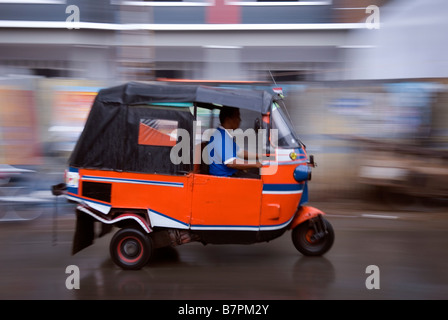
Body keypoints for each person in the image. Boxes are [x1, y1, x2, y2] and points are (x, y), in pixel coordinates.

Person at [207, 106, 262, 177]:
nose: (240, 120)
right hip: (225, 177)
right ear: (228, 119)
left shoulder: (225, 135)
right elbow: (231, 163)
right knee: (259, 178)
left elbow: (240, 152)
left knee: (256, 171)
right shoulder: (221, 137)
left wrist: (260, 156)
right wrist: (256, 164)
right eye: (237, 116)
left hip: (231, 173)